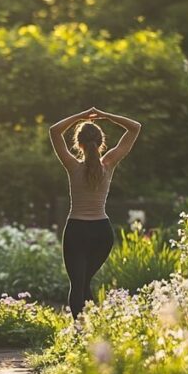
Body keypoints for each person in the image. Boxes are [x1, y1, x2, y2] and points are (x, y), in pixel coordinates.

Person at [49, 107, 141, 319]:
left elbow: (54, 131)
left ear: (79, 144)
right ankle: (92, 330)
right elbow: (135, 128)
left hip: (76, 231)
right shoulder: (109, 164)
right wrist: (107, 115)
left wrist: (80, 116)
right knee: (84, 284)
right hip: (102, 232)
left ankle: (81, 334)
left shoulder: (72, 166)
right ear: (101, 143)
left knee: (78, 285)